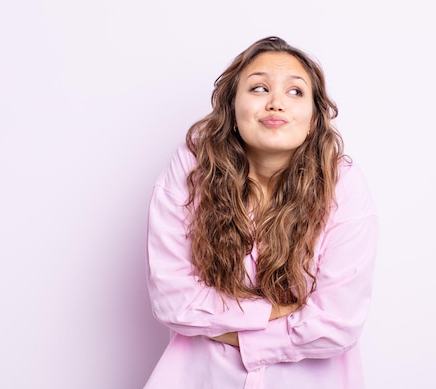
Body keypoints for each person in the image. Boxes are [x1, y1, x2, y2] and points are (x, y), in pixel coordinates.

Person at [143, 36, 378, 389]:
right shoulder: (193, 167)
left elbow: (336, 324)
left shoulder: (343, 182)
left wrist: (230, 329)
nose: (276, 104)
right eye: (258, 88)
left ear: (313, 119)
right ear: (232, 110)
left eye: (295, 92)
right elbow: (172, 301)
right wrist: (278, 313)